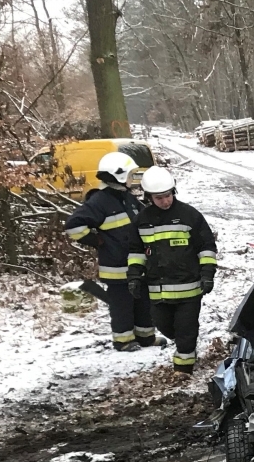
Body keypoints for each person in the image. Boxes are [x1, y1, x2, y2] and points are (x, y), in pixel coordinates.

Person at [63, 151, 156, 351]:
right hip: (116, 267)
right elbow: (73, 225)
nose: (133, 179)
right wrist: (97, 240)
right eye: (130, 175)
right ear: (118, 175)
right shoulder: (99, 201)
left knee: (143, 302)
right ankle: (123, 341)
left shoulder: (127, 198)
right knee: (122, 306)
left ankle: (146, 337)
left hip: (137, 265)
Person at [129, 167, 217, 375]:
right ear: (149, 197)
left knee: (186, 331)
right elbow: (136, 251)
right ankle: (185, 347)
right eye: (159, 198)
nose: (165, 201)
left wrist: (207, 274)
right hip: (157, 291)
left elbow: (206, 246)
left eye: (168, 196)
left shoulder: (189, 216)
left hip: (189, 290)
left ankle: (183, 370)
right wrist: (134, 276)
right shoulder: (142, 220)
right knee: (166, 327)